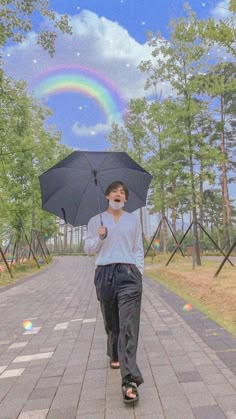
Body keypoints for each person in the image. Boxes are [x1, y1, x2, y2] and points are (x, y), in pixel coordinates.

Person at [84, 180, 144, 403]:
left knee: (129, 326)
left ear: (126, 199)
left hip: (129, 274)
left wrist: (139, 273)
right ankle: (114, 352)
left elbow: (138, 248)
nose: (118, 195)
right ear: (107, 196)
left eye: (122, 192)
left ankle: (129, 380)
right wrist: (100, 238)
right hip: (104, 274)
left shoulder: (133, 220)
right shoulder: (95, 221)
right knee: (112, 324)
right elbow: (88, 249)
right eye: (114, 191)